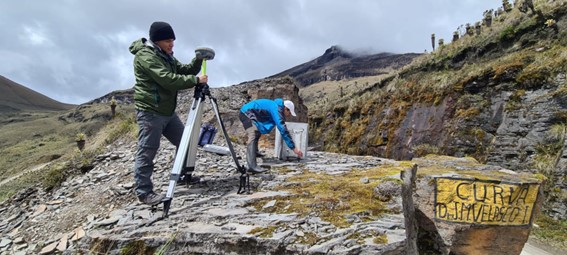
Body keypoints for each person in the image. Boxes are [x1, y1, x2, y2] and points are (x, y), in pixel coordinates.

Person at [129, 21, 208, 205]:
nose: (172, 44)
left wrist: (198, 60)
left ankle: (181, 176)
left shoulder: (166, 55)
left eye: (173, 40)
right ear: (157, 40)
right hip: (151, 111)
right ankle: (144, 192)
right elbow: (167, 79)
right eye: (167, 40)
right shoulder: (146, 56)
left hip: (167, 112)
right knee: (147, 151)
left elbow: (185, 70)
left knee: (186, 143)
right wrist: (196, 80)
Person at [239, 98, 303, 173]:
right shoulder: (276, 109)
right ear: (286, 109)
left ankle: (255, 152)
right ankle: (252, 166)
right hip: (246, 113)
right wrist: (294, 148)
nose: (289, 115)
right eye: (289, 113)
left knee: (257, 132)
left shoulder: (276, 107)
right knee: (253, 134)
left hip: (250, 113)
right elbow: (282, 128)